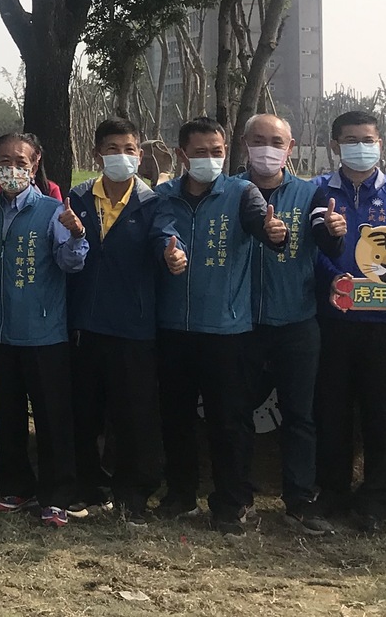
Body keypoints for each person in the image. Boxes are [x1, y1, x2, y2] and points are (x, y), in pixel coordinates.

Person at [153, 116, 279, 534]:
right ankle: (180, 494)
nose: (210, 159)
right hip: (173, 328)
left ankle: (231, 502)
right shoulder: (164, 195)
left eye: (218, 151)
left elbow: (262, 225)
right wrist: (167, 254)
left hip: (227, 331)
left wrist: (273, 231)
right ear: (181, 154)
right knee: (175, 417)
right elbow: (160, 235)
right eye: (201, 152)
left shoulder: (243, 193)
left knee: (230, 421)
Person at [314, 109, 386, 534]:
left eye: (369, 140)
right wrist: (332, 262)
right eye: (351, 140)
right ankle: (333, 491)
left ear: (381, 143)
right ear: (335, 145)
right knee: (332, 408)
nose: (361, 147)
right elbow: (310, 249)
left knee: (385, 412)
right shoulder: (317, 191)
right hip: (333, 319)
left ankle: (377, 500)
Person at [65, 118, 172, 527]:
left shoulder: (153, 202)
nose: (121, 156)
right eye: (112, 149)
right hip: (85, 325)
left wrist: (170, 255)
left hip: (134, 326)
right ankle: (85, 487)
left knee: (134, 416)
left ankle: (133, 495)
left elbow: (165, 237)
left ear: (140, 156)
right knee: (83, 413)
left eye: (129, 149)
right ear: (97, 154)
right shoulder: (78, 197)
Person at [239, 112, 342, 536]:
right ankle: (237, 497)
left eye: (276, 142)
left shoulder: (310, 193)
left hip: (298, 322)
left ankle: (299, 499)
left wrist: (334, 231)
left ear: (290, 148)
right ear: (244, 146)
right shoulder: (230, 192)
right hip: (240, 324)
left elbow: (324, 233)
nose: (267, 149)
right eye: (258, 140)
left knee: (300, 415)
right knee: (236, 413)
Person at [0, 132, 88, 528]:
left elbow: (70, 263)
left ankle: (57, 494)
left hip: (45, 333)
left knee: (52, 417)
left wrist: (77, 234)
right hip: (1, 331)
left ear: (36, 164)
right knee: (8, 415)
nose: (13, 169)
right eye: (5, 161)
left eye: (22, 162)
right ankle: (16, 487)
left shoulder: (52, 210)